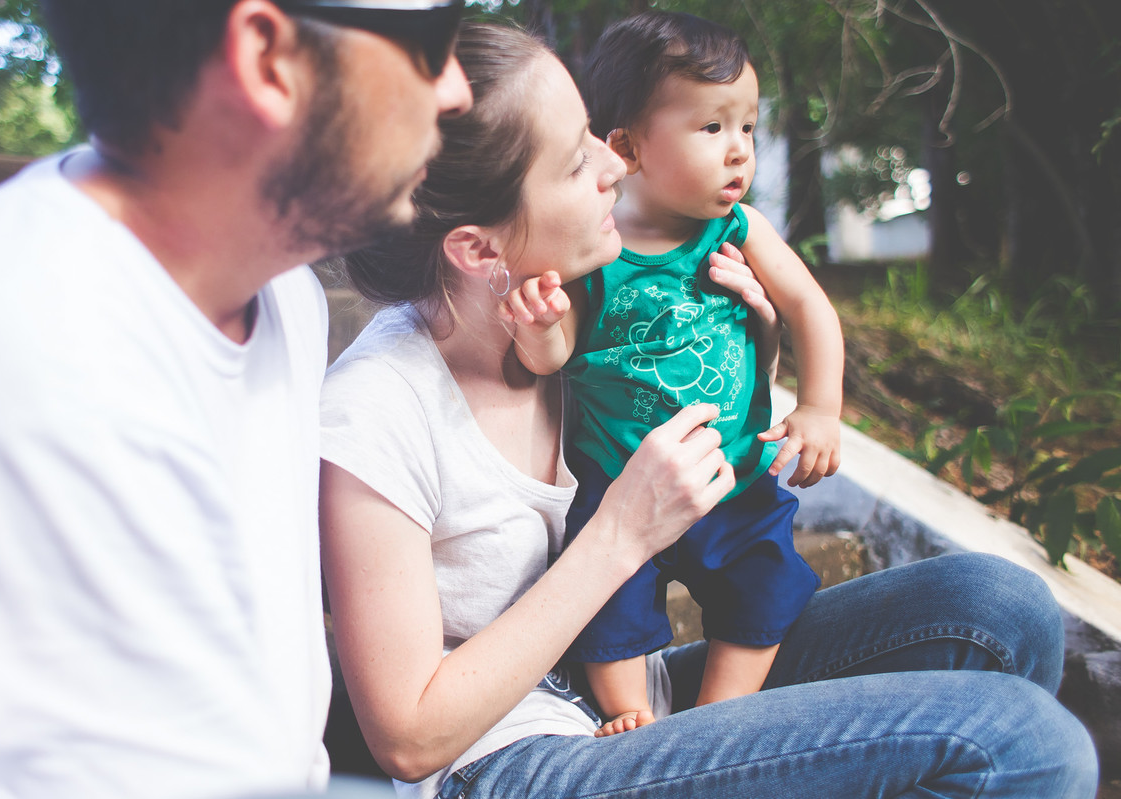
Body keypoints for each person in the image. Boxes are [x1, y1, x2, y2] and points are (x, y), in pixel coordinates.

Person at [317, 19, 1097, 799]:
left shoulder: (575, 319)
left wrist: (758, 348)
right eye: (571, 161)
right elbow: (407, 735)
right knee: (1024, 743)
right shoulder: (381, 405)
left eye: (595, 134)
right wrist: (622, 530)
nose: (611, 164)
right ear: (480, 249)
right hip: (509, 763)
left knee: (1004, 609)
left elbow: (709, 387)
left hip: (615, 698)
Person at [0, 1, 470, 796]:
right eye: (433, 43)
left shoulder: (282, 289)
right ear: (266, 56)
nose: (456, 91)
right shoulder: (23, 342)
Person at [500, 11, 845, 735]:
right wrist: (538, 326)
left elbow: (812, 306)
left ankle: (718, 716)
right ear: (626, 148)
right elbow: (555, 356)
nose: (739, 154)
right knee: (609, 597)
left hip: (734, 477)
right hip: (624, 485)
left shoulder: (740, 230)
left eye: (747, 127)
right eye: (712, 128)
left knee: (761, 584)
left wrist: (819, 407)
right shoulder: (598, 244)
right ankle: (632, 713)